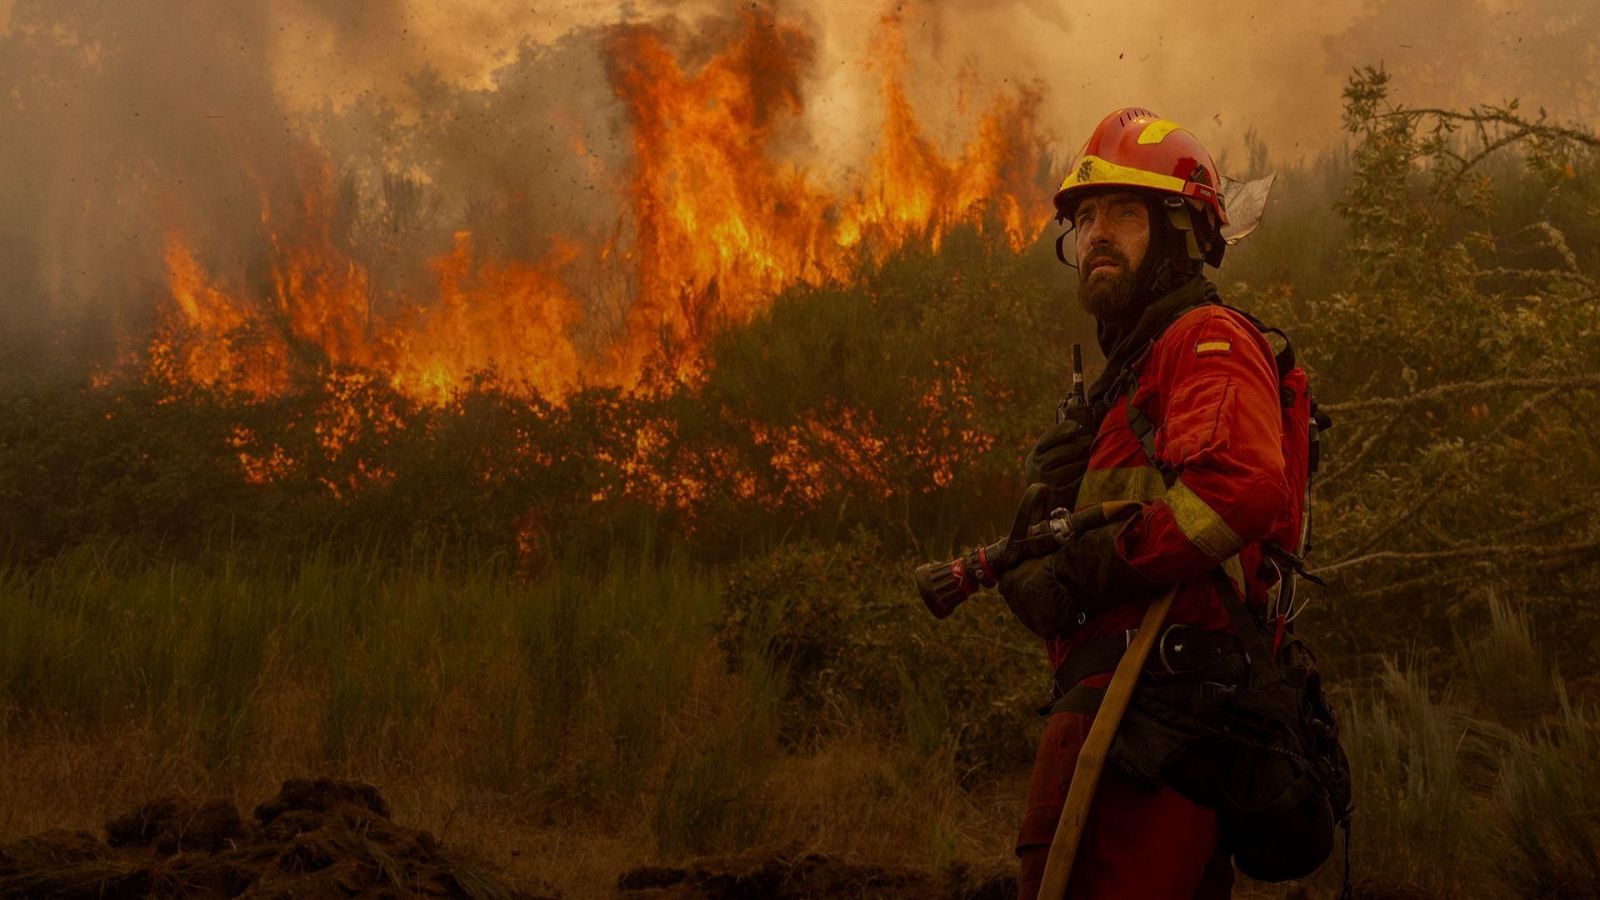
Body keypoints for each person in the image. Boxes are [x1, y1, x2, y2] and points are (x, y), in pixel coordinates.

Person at [1001, 108, 1292, 900]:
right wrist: (1040, 549)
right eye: (1086, 218)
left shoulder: (1204, 338)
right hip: (1119, 711)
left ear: (1183, 232)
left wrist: (1091, 566)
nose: (1097, 234)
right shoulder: (1134, 376)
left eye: (1125, 213)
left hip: (1157, 718)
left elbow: (1240, 489)